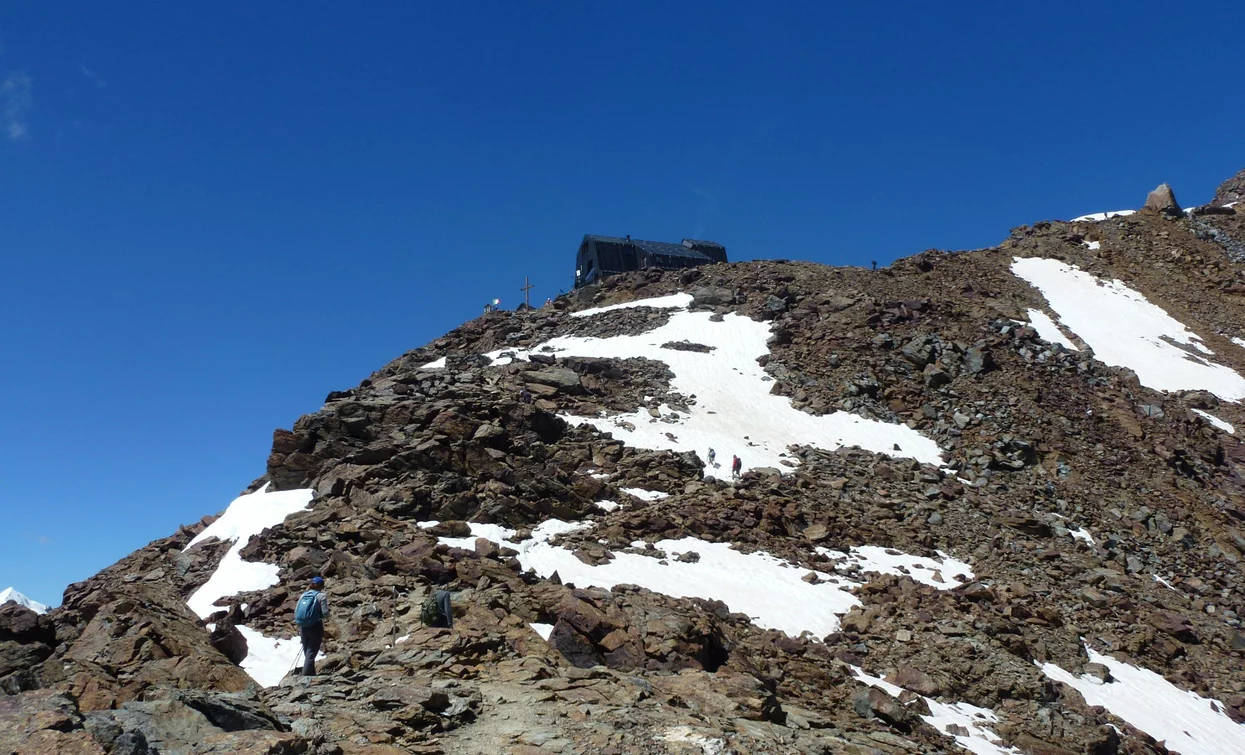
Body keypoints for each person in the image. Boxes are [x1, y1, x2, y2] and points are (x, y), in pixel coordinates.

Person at [294, 576, 329, 677]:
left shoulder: (303, 595)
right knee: (311, 652)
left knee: (307, 651)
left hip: (303, 626)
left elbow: (296, 611)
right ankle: (305, 676)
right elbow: (325, 613)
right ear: (321, 586)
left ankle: (311, 674)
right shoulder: (321, 596)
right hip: (315, 626)